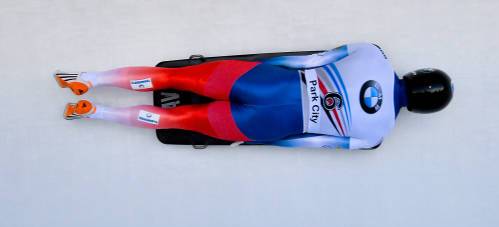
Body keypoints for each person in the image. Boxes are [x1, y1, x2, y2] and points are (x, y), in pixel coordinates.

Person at [55, 43, 453, 149]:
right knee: (179, 121)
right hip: (266, 125)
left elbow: (311, 59)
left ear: (418, 75)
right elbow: (311, 143)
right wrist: (267, 141)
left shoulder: (373, 54)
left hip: (265, 82)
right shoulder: (377, 134)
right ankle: (97, 113)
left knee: (170, 77)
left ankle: (90, 77)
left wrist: (265, 65)